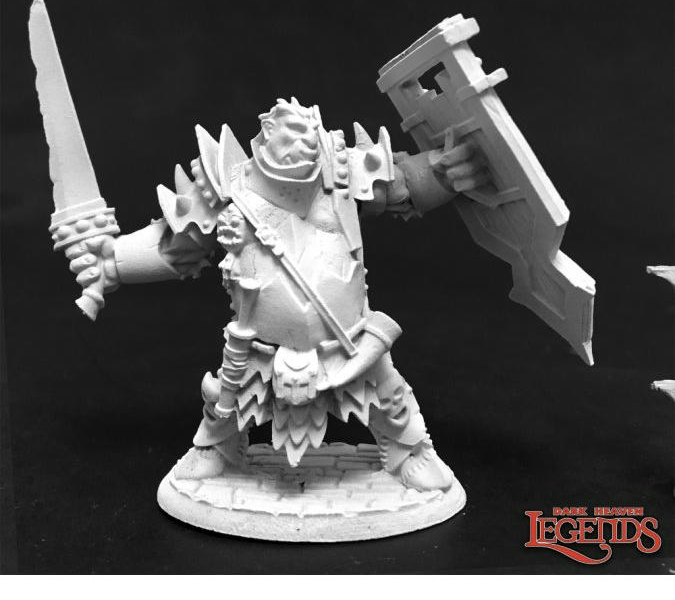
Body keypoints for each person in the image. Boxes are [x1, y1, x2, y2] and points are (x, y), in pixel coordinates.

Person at [65, 97, 489, 491]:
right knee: (226, 401)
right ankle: (217, 447)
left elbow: (404, 185)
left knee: (388, 395)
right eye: (290, 142)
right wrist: (112, 261)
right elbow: (178, 243)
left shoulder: (340, 168)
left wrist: (444, 172)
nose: (300, 151)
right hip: (258, 347)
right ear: (265, 137)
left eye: (307, 142)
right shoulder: (228, 185)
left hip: (350, 339)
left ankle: (407, 450)